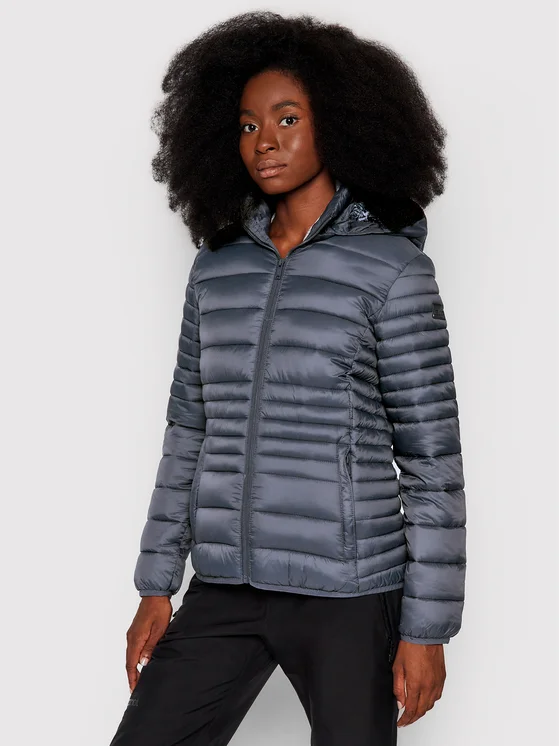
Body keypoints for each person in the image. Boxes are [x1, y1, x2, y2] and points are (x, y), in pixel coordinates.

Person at [109, 10, 467, 746]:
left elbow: (431, 461)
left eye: (287, 118)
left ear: (339, 123)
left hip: (348, 590)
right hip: (227, 586)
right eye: (247, 125)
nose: (264, 140)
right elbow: (187, 433)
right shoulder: (217, 271)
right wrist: (156, 584)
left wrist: (426, 629)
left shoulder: (394, 271)